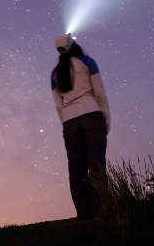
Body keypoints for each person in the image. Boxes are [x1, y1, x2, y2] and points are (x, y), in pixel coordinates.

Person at [51, 34, 110, 221]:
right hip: (92, 116)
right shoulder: (88, 63)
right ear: (73, 45)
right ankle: (102, 210)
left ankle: (84, 214)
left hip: (69, 123)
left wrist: (67, 125)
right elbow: (99, 92)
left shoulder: (55, 73)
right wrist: (105, 119)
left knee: (76, 169)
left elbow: (58, 106)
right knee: (97, 166)